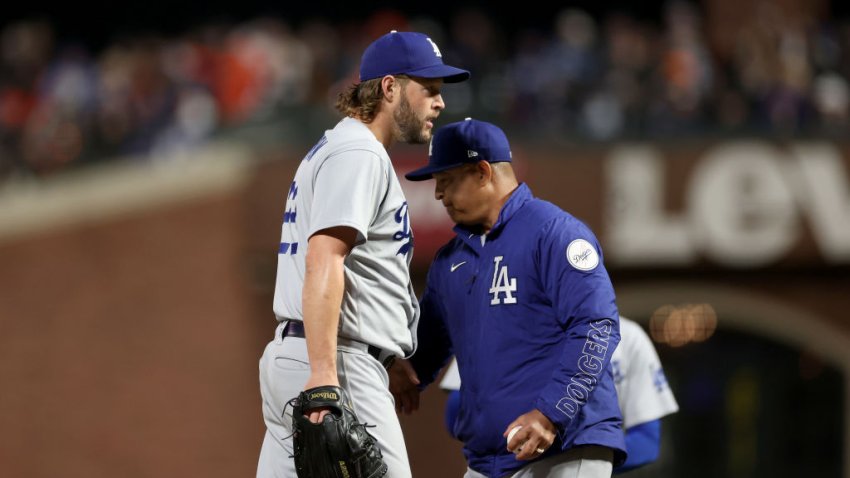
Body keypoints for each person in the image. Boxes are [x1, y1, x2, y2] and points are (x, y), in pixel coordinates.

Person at [256, 30, 469, 478]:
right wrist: (325, 376)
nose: (439, 102)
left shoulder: (338, 147)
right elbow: (325, 258)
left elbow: (351, 268)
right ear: (389, 88)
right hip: (338, 362)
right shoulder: (360, 153)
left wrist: (386, 358)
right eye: (428, 89)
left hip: (305, 355)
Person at [391, 118, 626, 477]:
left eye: (447, 181)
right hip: (489, 459)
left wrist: (551, 413)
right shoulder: (450, 260)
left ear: (483, 172)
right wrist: (396, 372)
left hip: (565, 447)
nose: (438, 194)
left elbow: (596, 327)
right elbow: (426, 347)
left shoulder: (554, 233)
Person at [439, 316, 679, 473]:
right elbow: (456, 416)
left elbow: (647, 442)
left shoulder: (628, 336)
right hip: (504, 466)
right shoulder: (494, 325)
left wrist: (579, 461)